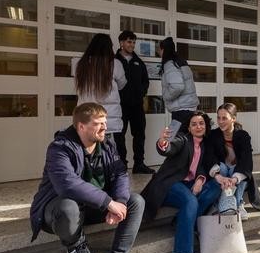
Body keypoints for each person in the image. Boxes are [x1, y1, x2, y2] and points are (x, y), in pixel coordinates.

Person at [29, 103, 148, 253]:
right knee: (67, 207)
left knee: (135, 201)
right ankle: (76, 244)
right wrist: (108, 203)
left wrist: (120, 202)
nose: (105, 127)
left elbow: (120, 174)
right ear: (81, 126)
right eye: (99, 123)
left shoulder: (107, 144)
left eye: (105, 122)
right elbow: (67, 184)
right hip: (58, 212)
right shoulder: (59, 148)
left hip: (93, 207)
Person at [140, 111, 222, 253]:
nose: (198, 126)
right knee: (190, 201)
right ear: (189, 128)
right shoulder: (183, 140)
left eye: (201, 123)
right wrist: (163, 142)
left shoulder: (205, 144)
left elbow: (203, 167)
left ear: (206, 127)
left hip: (189, 183)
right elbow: (168, 148)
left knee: (215, 187)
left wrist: (200, 179)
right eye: (194, 124)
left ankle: (181, 221)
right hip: (170, 183)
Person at [74, 33, 128, 166]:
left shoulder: (81, 64)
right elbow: (122, 84)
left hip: (86, 117)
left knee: (88, 152)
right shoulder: (115, 64)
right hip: (109, 119)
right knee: (114, 153)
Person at [205, 103, 260, 221]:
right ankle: (222, 201)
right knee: (223, 168)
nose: (220, 121)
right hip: (222, 172)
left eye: (224, 118)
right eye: (218, 118)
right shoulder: (213, 135)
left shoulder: (243, 136)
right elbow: (209, 156)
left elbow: (246, 159)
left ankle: (239, 203)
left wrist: (235, 179)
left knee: (240, 170)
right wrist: (218, 176)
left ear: (233, 119)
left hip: (237, 173)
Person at [116, 30, 155, 174]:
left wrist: (142, 93)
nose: (132, 45)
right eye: (129, 41)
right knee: (119, 136)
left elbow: (145, 81)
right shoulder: (114, 61)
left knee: (139, 135)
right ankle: (121, 165)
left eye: (133, 42)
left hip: (137, 105)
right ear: (121, 43)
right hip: (120, 106)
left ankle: (139, 164)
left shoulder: (138, 62)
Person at [158, 37, 199, 127]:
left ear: (163, 50)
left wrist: (166, 97)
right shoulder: (180, 62)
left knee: (179, 138)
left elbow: (177, 86)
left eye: (159, 50)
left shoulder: (170, 64)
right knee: (189, 137)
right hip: (189, 107)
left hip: (181, 110)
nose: (159, 53)